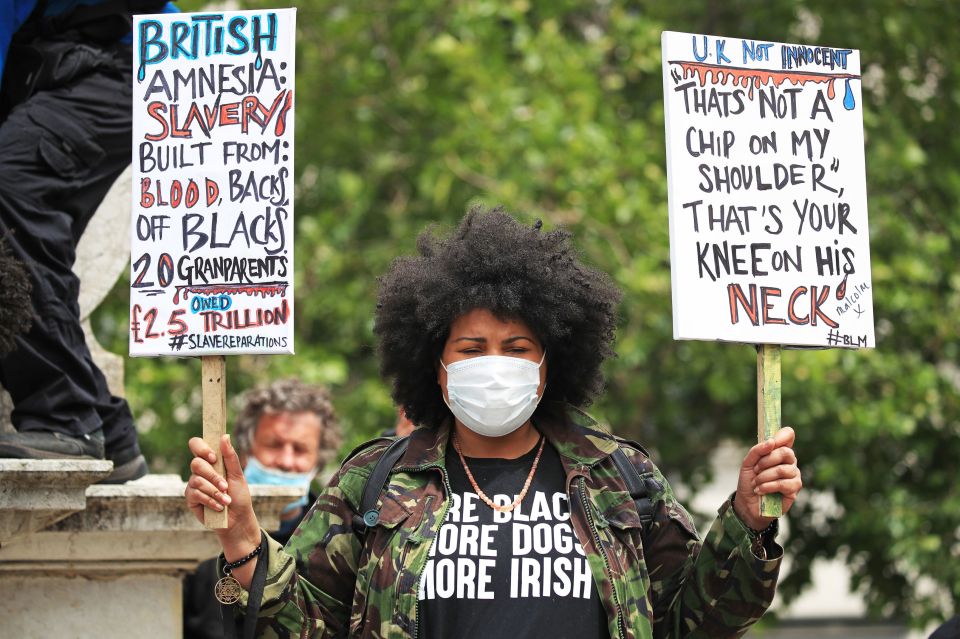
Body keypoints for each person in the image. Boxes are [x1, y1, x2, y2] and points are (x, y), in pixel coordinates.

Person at [185, 207, 803, 638]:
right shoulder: (373, 481)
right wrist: (241, 537)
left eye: (516, 347)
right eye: (472, 348)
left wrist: (747, 521)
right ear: (436, 363)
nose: (495, 365)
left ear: (550, 361)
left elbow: (700, 621)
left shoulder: (619, 476)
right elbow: (298, 627)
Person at [0, 0, 175, 481]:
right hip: (79, 66)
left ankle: (65, 419)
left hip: (140, 63)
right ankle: (106, 427)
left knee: (8, 187)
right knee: (22, 225)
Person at [183, 378, 342, 639]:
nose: (286, 461)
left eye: (300, 449)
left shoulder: (336, 542)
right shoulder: (201, 532)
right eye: (274, 444)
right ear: (243, 451)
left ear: (319, 460)